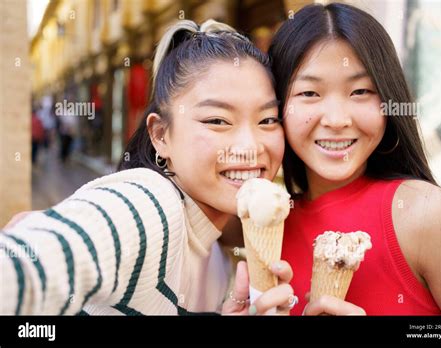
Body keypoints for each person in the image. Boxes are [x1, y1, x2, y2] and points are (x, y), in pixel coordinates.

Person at [0, 19, 295, 315]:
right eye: (216, 121)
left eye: (267, 120)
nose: (250, 147)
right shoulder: (150, 206)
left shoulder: (221, 256)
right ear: (160, 136)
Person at [268, 2, 441, 315]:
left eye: (361, 91)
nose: (336, 119)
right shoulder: (271, 227)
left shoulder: (432, 216)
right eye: (309, 93)